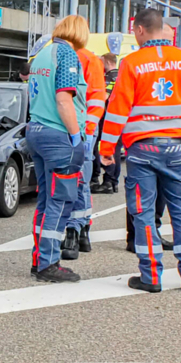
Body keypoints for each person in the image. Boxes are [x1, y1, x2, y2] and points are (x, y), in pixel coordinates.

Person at [99, 8, 181, 293]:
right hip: (176, 149)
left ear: (139, 30)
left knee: (143, 213)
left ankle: (150, 277)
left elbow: (117, 110)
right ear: (161, 28)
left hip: (141, 150)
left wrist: (106, 148)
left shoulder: (132, 63)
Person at [25, 15, 90, 283]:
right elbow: (64, 100)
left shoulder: (42, 54)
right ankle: (49, 263)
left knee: (44, 200)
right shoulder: (67, 55)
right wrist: (76, 136)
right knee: (60, 201)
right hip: (58, 136)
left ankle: (38, 258)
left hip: (36, 131)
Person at [62, 45, 107, 260]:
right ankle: (83, 232)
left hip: (80, 127)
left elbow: (96, 99)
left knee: (78, 180)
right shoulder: (87, 58)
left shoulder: (85, 58)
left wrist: (87, 131)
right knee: (80, 181)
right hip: (76, 126)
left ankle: (76, 230)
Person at [92, 55, 121, 194]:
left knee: (103, 148)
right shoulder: (122, 76)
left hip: (108, 118)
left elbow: (104, 97)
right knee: (116, 149)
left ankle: (106, 181)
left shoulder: (109, 78)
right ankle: (114, 182)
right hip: (122, 118)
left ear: (108, 62)